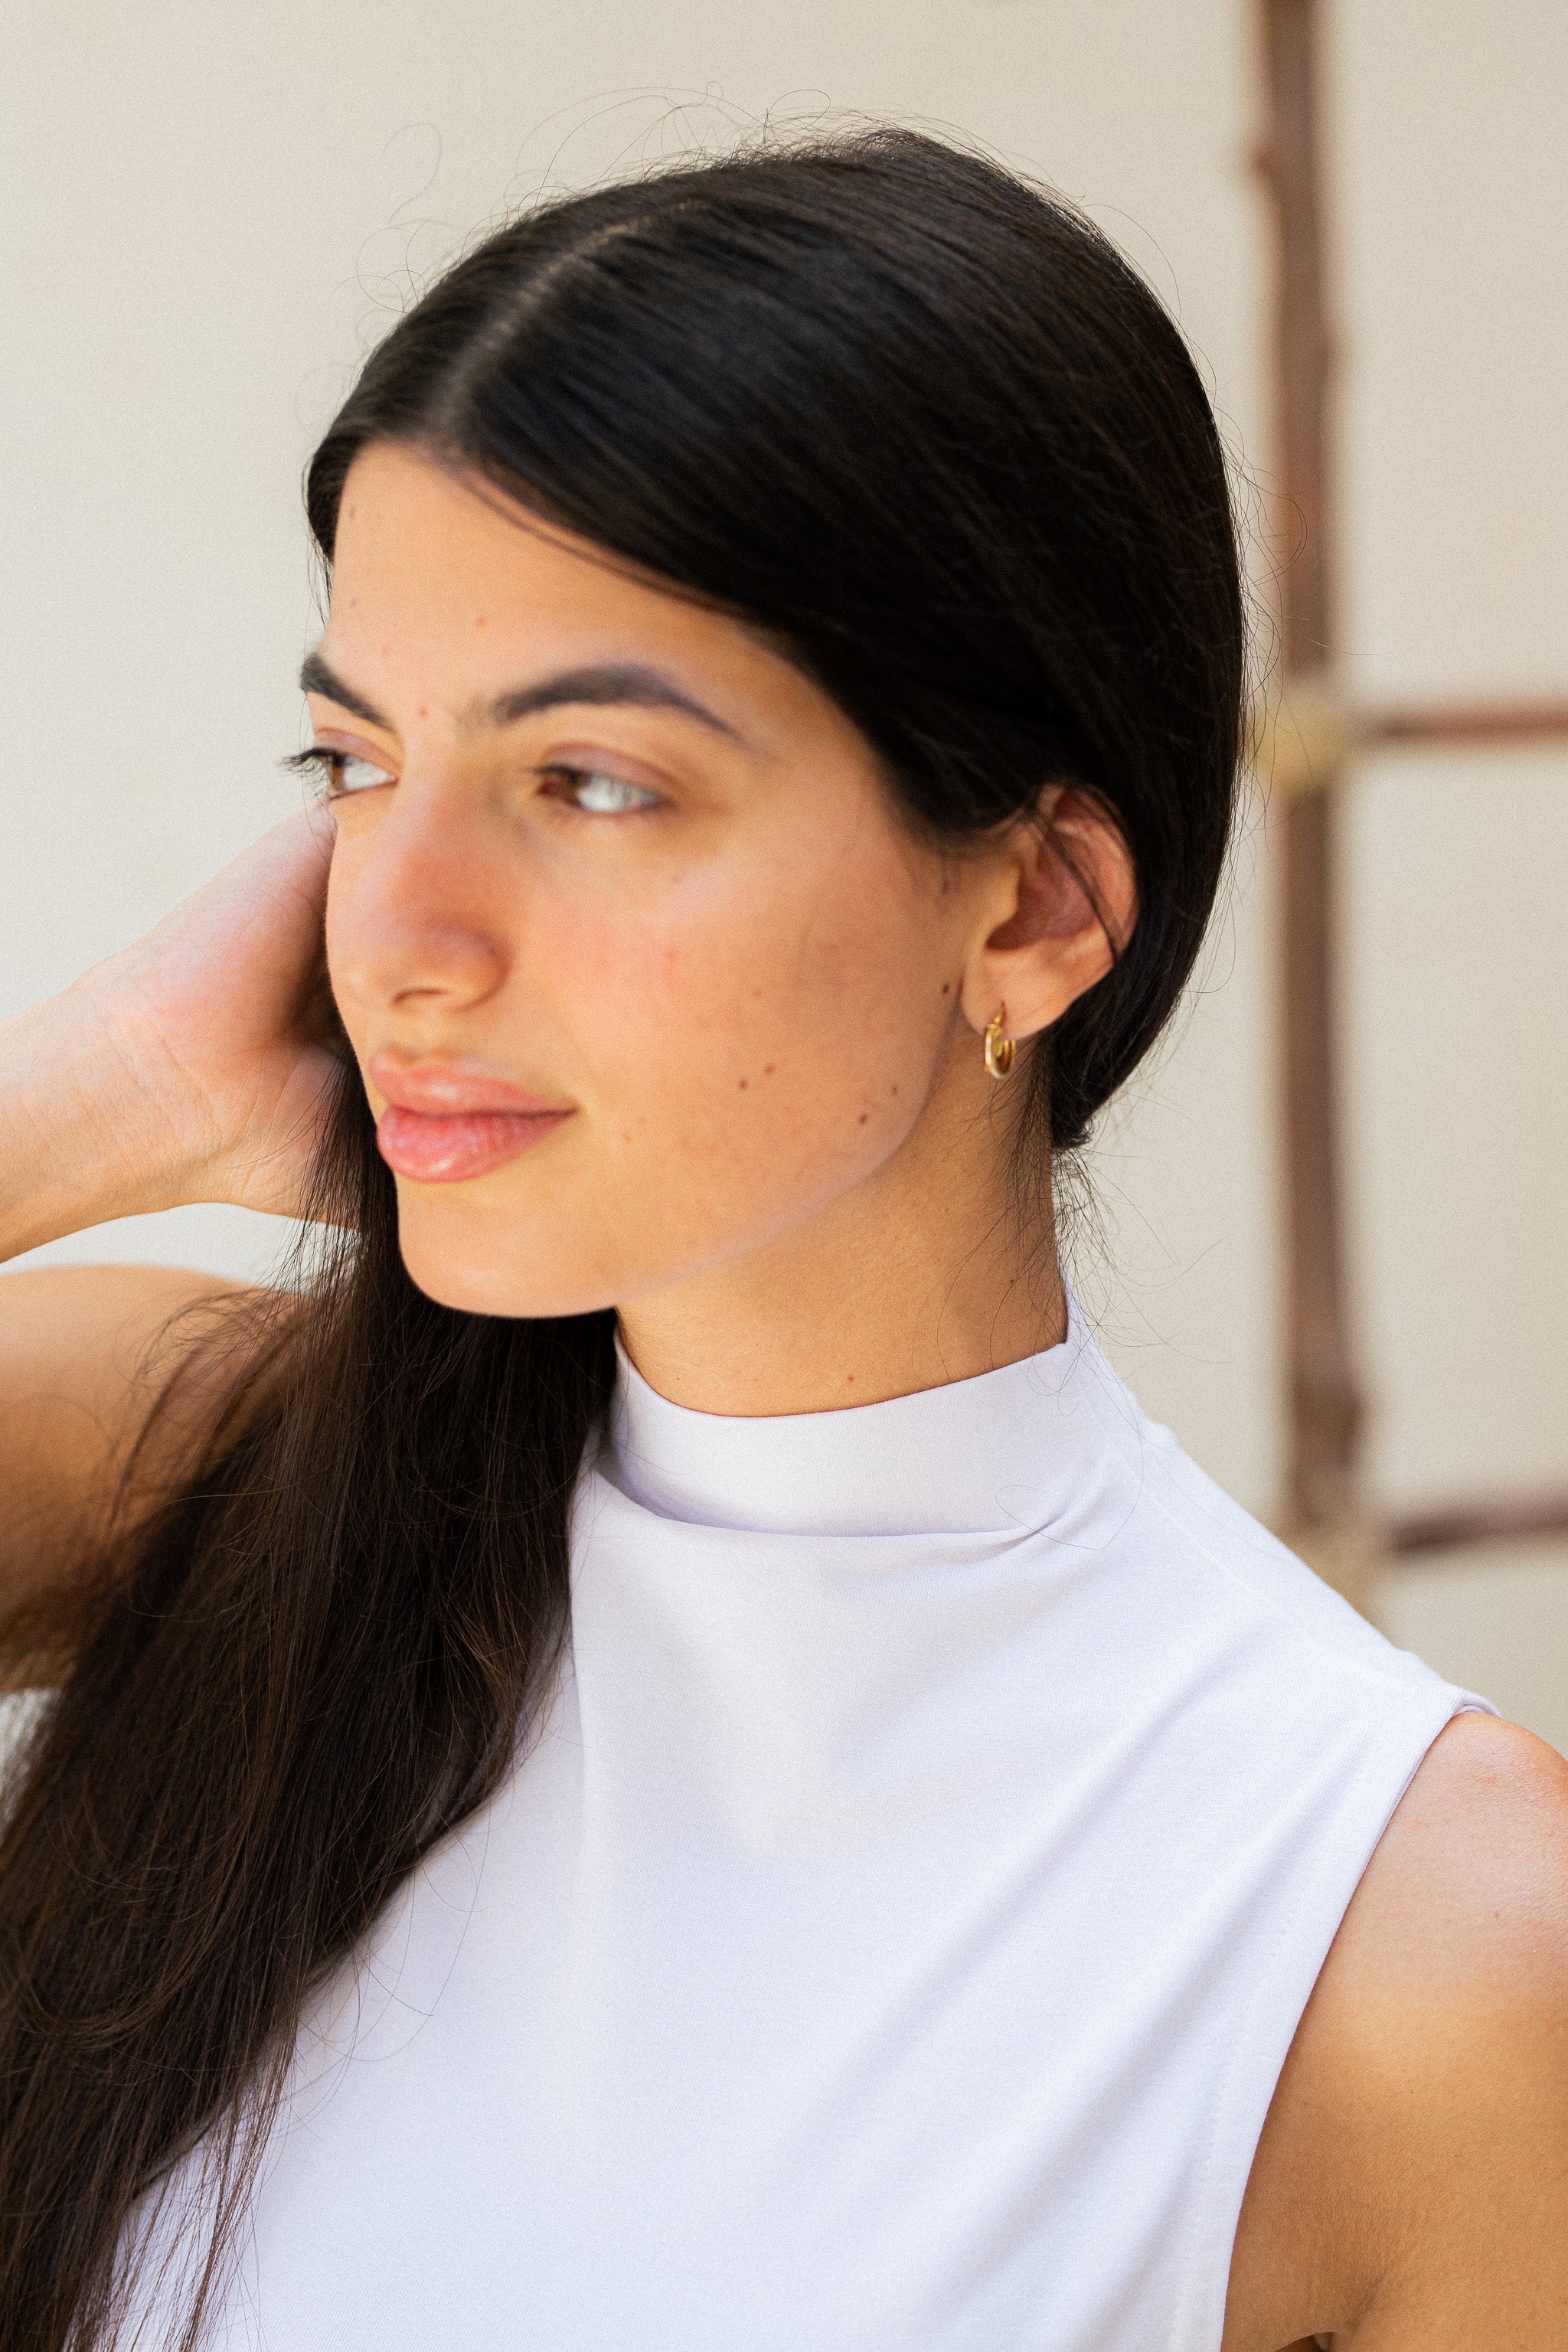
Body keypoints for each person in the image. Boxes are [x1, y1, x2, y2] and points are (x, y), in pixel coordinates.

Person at [0, 126, 1563, 2352]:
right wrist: (89, 1100)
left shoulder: (1422, 1942)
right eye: (357, 764)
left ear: (1031, 911)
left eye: (594, 784)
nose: (406, 942)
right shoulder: (222, 1490)